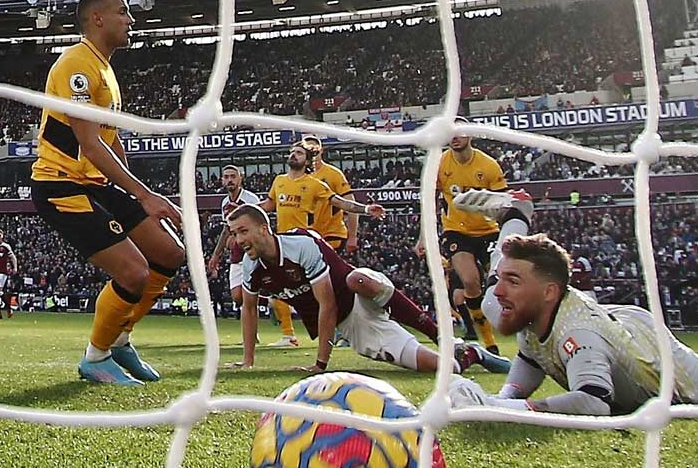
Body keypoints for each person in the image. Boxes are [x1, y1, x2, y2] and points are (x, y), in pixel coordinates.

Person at [449, 234, 698, 415]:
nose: (497, 290)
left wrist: (509, 410)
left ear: (548, 291)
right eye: (499, 279)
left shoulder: (578, 334)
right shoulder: (535, 307)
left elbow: (595, 403)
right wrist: (503, 397)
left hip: (661, 367)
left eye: (511, 281)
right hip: (621, 326)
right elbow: (532, 358)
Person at [29, 0, 186, 385]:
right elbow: (89, 142)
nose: (130, 20)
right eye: (123, 12)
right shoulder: (76, 65)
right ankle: (95, 357)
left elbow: (111, 140)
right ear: (97, 19)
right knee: (134, 273)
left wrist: (136, 195)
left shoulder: (105, 69)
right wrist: (146, 195)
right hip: (62, 186)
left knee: (168, 252)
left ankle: (120, 340)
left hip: (96, 184)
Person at [226, 204, 508, 375]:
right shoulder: (252, 267)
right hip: (351, 323)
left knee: (356, 279)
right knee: (442, 369)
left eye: (243, 231)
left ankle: (440, 336)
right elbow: (248, 310)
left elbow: (327, 304)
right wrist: (247, 361)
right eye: (235, 234)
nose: (238, 240)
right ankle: (472, 354)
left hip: (356, 292)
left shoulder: (301, 246)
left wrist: (320, 364)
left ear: (264, 229)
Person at [260, 144, 386, 348]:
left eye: (299, 152)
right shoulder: (279, 181)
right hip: (282, 242)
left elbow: (340, 202)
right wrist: (244, 210)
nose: (294, 154)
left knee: (321, 292)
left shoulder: (314, 184)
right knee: (280, 291)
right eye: (292, 151)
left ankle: (341, 331)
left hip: (304, 244)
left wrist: (365, 209)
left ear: (308, 161)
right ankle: (288, 335)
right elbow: (268, 205)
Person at [415, 126, 527, 355]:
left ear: (470, 135)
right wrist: (423, 236)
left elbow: (504, 202)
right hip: (456, 230)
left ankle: (522, 330)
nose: (454, 137)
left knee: (502, 278)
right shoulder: (439, 163)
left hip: (488, 231)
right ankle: (489, 343)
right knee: (470, 282)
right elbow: (430, 201)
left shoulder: (488, 165)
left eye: (459, 132)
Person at [207, 165, 262, 327]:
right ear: (222, 180)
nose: (229, 180)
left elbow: (257, 226)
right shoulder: (225, 202)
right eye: (226, 177)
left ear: (240, 178)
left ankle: (253, 330)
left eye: (233, 176)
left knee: (249, 294)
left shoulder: (251, 199)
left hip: (252, 252)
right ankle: (270, 303)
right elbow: (226, 230)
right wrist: (216, 255)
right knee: (237, 296)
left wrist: (238, 235)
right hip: (236, 254)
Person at [298, 135, 358, 254]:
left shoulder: (333, 174)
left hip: (332, 234)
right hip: (308, 236)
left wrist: (352, 236)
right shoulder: (299, 176)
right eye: (308, 150)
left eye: (315, 150)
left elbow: (351, 203)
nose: (313, 153)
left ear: (321, 150)